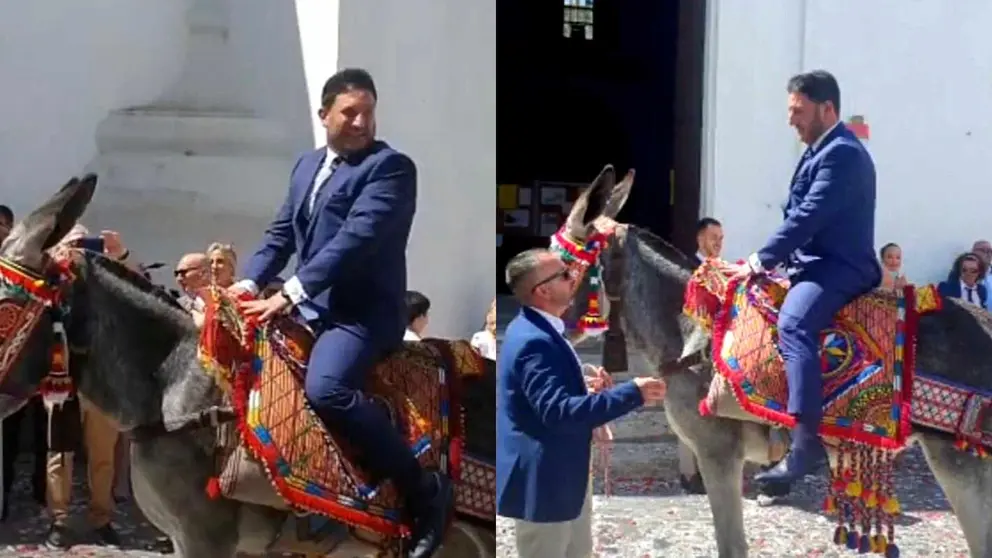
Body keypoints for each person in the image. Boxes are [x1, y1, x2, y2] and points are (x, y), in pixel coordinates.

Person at [234, 68, 447, 558]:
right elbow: (281, 233)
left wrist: (288, 293)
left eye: (368, 112)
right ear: (323, 114)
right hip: (311, 306)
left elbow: (355, 241)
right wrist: (245, 284)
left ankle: (422, 490)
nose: (360, 122)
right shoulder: (306, 166)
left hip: (360, 314)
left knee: (326, 389)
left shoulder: (390, 168)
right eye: (349, 112)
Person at [734, 70, 881, 485]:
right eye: (790, 110)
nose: (791, 120)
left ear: (827, 108)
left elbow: (807, 217)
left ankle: (805, 446)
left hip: (840, 266)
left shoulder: (843, 153)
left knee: (794, 324)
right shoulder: (820, 148)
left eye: (798, 111)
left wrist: (759, 261)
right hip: (811, 264)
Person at [497, 248, 667, 558]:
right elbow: (558, 412)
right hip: (546, 481)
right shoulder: (534, 339)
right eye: (564, 274)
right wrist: (632, 393)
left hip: (563, 475)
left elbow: (546, 399)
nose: (574, 277)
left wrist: (582, 388)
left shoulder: (541, 329)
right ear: (543, 290)